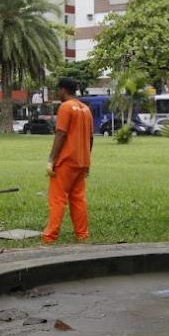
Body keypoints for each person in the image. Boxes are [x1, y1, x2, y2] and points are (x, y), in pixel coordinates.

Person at [44, 78, 94, 243]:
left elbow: (61, 133)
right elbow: (90, 138)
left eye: (57, 90)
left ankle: (50, 236)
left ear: (63, 90)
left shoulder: (65, 107)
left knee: (57, 199)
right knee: (78, 199)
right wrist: (87, 160)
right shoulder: (86, 109)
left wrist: (51, 159)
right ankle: (82, 234)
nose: (57, 93)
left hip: (66, 161)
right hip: (82, 162)